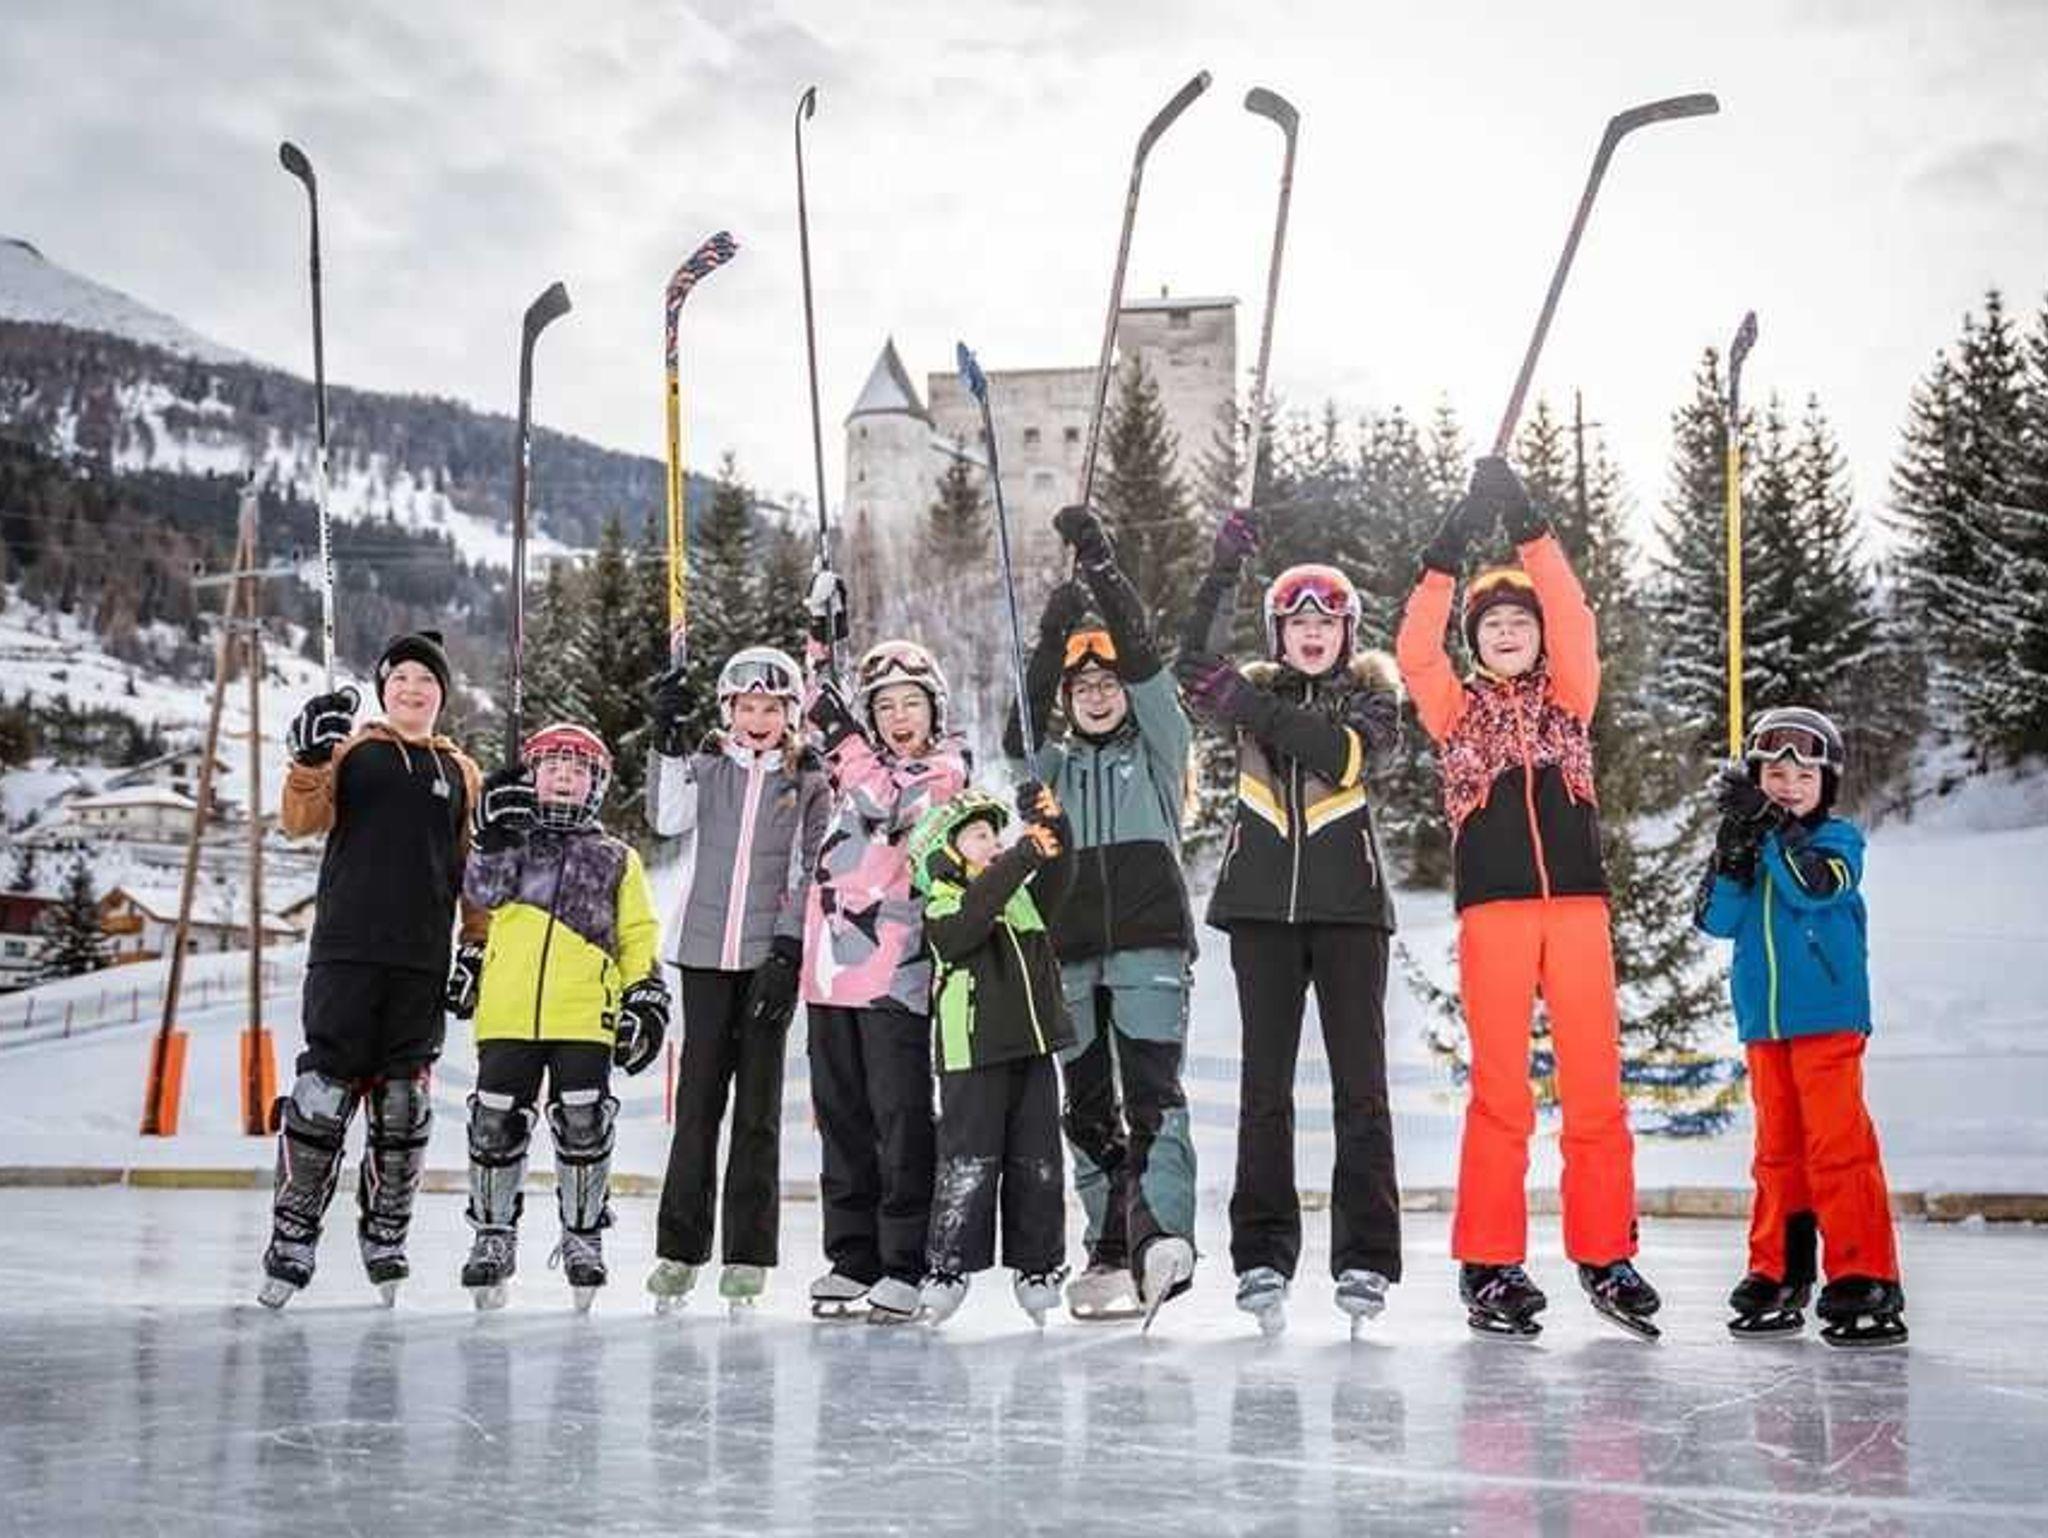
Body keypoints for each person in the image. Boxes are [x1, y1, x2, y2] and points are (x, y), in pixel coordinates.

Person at [1395, 456, 1657, 1340]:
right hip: (1495, 915)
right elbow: (1414, 650)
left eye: (1520, 621)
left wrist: (1532, 528)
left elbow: (1576, 615)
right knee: (1501, 1092)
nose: (1509, 631)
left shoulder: (1570, 698)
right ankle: (1490, 1262)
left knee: (1596, 1087)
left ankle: (1606, 1252)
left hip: (1577, 912)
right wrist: (1443, 557)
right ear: (1476, 641)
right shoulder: (1454, 712)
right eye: (1493, 623)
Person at [1176, 512, 1405, 1337]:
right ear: (1279, 633)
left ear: (1347, 634)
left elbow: (1344, 757)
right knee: (1263, 1091)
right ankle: (1262, 1253)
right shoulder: (1252, 694)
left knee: (1360, 1091)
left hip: (1350, 914)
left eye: (1326, 622)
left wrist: (1252, 706)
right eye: (1298, 622)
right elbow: (1191, 669)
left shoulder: (1374, 698)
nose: (1312, 634)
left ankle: (1366, 1257)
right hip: (1262, 913)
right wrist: (1221, 574)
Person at [1006, 504, 1198, 1322]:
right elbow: (1017, 730)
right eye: (1081, 686)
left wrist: (1101, 571)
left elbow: (1150, 669)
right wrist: (1050, 639)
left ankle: (1162, 1236)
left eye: (1106, 683)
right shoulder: (1050, 770)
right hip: (1069, 953)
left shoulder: (1160, 751)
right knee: (1085, 1106)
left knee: (1152, 1094)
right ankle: (1110, 1243)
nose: (1095, 695)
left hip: (1151, 945)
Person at [259, 631, 484, 1308]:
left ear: (443, 694)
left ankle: (385, 1236)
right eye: (401, 678)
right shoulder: (350, 750)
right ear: (385, 690)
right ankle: (293, 1237)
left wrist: (476, 945)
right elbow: (299, 819)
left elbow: (474, 869)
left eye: (427, 680)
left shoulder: (461, 771)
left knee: (403, 1105)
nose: (413, 689)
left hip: (421, 961)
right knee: (323, 1095)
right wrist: (308, 760)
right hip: (346, 952)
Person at [1696, 706, 1906, 1348]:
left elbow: (1813, 888)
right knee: (1777, 1153)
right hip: (1765, 1024)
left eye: (1804, 777)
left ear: (1826, 785)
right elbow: (1715, 921)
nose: (1788, 787)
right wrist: (1731, 852)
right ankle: (1778, 1272)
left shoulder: (1838, 842)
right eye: (1774, 775)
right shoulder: (1757, 842)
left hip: (1827, 1017)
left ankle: (1864, 1274)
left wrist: (1768, 829)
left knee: (1836, 1146)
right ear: (1756, 779)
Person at [800, 573, 970, 1323]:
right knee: (840, 1116)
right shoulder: (853, 761)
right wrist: (821, 631)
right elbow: (818, 709)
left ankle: (906, 1258)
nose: (899, 718)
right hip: (829, 969)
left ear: (934, 711)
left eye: (912, 704)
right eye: (885, 707)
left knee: (899, 1115)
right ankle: (852, 1255)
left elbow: (892, 809)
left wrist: (848, 741)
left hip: (895, 971)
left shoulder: (944, 771)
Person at [454, 721, 666, 1311]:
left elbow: (637, 933)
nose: (564, 777)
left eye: (578, 770)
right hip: (509, 1009)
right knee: (494, 1121)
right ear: (531, 777)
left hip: (583, 1011)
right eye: (552, 767)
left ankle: (583, 1236)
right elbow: (482, 896)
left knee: (583, 1120)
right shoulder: (511, 843)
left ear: (597, 784)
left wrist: (645, 994)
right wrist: (490, 837)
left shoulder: (616, 857)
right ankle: (493, 1235)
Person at [642, 647, 829, 1312]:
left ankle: (747, 1254)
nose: (757, 719)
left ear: (790, 713)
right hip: (702, 954)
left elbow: (811, 865)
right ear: (728, 710)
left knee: (757, 1110)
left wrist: (787, 949)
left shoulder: (807, 780)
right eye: (746, 706)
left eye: (771, 708)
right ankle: (679, 1249)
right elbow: (666, 817)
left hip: (765, 961)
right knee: (697, 1105)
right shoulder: (708, 766)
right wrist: (666, 739)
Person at [909, 783, 1076, 1327]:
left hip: (1032, 1048)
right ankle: (948, 1266)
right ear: (946, 850)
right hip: (973, 1054)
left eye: (996, 835)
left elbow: (1060, 874)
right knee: (969, 1161)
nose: (994, 843)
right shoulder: (944, 900)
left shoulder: (1018, 896)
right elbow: (963, 931)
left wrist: (1055, 827)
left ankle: (1038, 1265)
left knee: (1038, 1161)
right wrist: (1021, 857)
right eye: (979, 835)